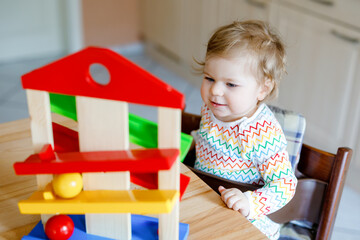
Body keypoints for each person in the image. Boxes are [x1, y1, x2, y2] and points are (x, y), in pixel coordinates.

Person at [191, 20, 297, 239]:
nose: (215, 91)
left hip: (249, 222)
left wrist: (250, 202)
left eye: (231, 84)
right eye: (209, 78)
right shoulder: (212, 109)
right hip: (207, 202)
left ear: (262, 88)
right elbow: (209, 143)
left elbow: (285, 185)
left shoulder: (261, 132)